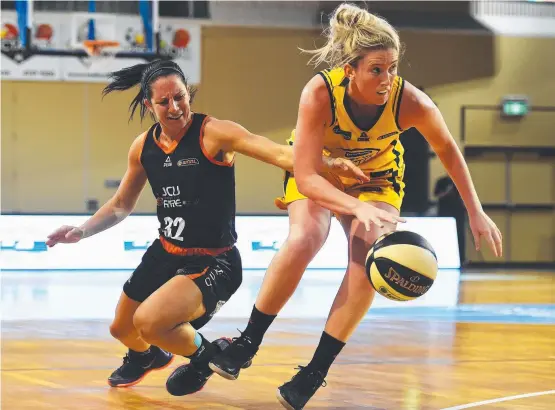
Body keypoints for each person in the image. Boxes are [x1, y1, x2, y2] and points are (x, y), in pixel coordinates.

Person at [209, 4, 503, 409]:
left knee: (367, 260)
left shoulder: (411, 101)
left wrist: (475, 210)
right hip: (321, 168)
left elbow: (448, 150)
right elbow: (308, 176)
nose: (387, 79)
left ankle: (315, 372)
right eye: (376, 70)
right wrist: (351, 205)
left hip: (377, 176)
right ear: (350, 69)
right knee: (305, 238)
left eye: (393, 68)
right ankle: (248, 342)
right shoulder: (318, 93)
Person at [44, 59, 368, 396]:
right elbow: (121, 205)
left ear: (188, 94)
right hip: (165, 253)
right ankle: (146, 358)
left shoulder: (214, 133)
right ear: (148, 105)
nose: (175, 107)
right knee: (121, 329)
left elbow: (279, 154)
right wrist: (81, 231)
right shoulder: (143, 147)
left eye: (180, 97)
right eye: (164, 101)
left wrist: (326, 163)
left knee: (149, 322)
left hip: (215, 262)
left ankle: (207, 358)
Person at [434, 174, 466, 264]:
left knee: (460, 235)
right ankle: (443, 257)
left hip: (457, 212)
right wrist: (446, 193)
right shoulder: (442, 181)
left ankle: (461, 259)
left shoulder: (459, 181)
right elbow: (436, 194)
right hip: (444, 212)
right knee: (444, 236)